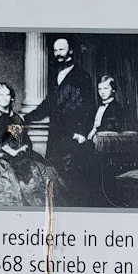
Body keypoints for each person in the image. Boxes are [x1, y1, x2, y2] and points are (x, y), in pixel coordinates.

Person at [22, 37, 93, 180]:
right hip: (56, 134)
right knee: (55, 174)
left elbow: (89, 106)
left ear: (71, 51)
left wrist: (83, 132)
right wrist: (27, 117)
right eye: (55, 50)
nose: (58, 53)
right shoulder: (54, 75)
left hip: (73, 135)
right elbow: (48, 103)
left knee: (72, 177)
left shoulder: (82, 76)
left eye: (61, 49)